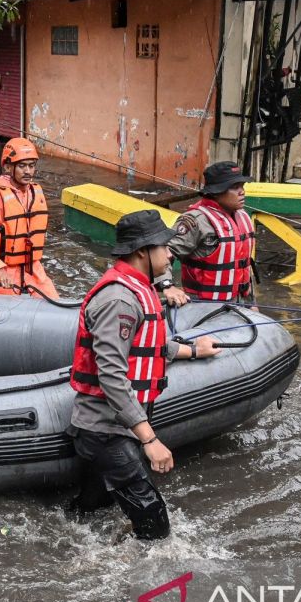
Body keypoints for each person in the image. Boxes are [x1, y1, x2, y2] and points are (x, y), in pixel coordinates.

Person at [67, 210, 221, 540]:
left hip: (117, 427)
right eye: (164, 246)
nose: (170, 253)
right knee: (156, 526)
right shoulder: (119, 300)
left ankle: (73, 549)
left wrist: (194, 350)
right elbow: (111, 375)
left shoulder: (139, 288)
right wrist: (149, 440)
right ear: (142, 252)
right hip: (106, 430)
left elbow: (151, 346)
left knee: (90, 511)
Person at [157, 161, 257, 308]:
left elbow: (244, 267)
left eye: (242, 186)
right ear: (217, 192)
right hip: (203, 306)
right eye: (235, 187)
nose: (242, 191)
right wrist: (167, 286)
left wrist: (252, 303)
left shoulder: (242, 217)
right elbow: (164, 254)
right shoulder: (195, 221)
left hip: (240, 304)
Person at [0, 137, 58, 298]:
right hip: (2, 272)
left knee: (55, 305)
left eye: (31, 166)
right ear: (8, 167)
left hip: (33, 270)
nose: (28, 171)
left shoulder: (35, 192)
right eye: (22, 166)